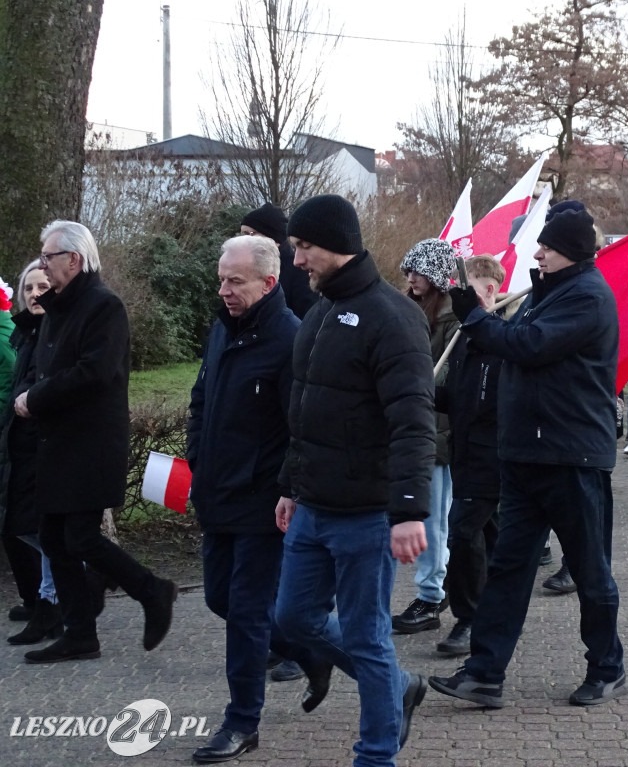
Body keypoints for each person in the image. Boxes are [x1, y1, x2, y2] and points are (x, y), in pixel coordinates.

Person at [431, 205, 626, 708]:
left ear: (573, 253)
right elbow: (516, 342)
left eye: (548, 247)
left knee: (589, 571)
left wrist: (473, 313)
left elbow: (527, 346)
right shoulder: (552, 293)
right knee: (509, 570)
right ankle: (484, 673)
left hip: (571, 459)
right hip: (525, 457)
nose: (538, 253)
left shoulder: (586, 297)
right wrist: (472, 311)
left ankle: (607, 666)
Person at [273, 195, 432, 765]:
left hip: (367, 515)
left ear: (337, 244)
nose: (297, 261)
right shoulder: (318, 312)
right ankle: (397, 686)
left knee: (366, 641)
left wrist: (410, 509)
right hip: (313, 507)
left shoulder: (393, 315)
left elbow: (413, 419)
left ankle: (375, 754)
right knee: (291, 618)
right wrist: (291, 485)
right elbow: (304, 412)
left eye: (304, 247)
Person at [186, 235, 331, 763]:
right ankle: (310, 650)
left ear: (268, 283)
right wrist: (196, 456)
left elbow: (303, 427)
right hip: (216, 493)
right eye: (221, 278)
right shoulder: (222, 330)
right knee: (219, 599)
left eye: (235, 281)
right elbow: (202, 397)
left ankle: (242, 721)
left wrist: (287, 488)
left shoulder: (290, 338)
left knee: (247, 611)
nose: (223, 289)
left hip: (263, 502)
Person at [19, 221, 177, 664]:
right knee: (53, 534)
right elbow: (43, 368)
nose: (43, 263)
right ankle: (80, 633)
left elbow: (95, 372)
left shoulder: (103, 306)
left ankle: (152, 590)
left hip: (89, 444)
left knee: (81, 537)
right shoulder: (58, 308)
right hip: (58, 441)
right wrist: (26, 394)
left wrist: (38, 396)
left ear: (74, 258)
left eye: (49, 256)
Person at [433, 255, 506, 657]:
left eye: (469, 291)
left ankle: (470, 616)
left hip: (490, 456)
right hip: (463, 452)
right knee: (489, 533)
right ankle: (496, 604)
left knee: (462, 532)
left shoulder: (503, 338)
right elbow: (458, 398)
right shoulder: (463, 340)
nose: (458, 300)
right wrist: (423, 393)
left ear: (491, 291)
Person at [391, 238, 459, 635]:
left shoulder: (451, 322)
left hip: (434, 431)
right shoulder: (409, 310)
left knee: (432, 516)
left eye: (419, 272)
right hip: (409, 426)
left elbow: (445, 377)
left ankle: (432, 594)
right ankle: (433, 588)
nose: (412, 278)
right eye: (409, 271)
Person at [3, 262, 60, 644]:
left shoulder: (56, 333)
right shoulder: (25, 334)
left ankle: (54, 600)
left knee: (39, 527)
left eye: (43, 286)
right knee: (25, 526)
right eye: (28, 288)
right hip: (20, 442)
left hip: (47, 445)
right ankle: (52, 595)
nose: (35, 294)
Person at [240, 202, 318, 319]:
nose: (242, 241)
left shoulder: (300, 270)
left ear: (272, 237)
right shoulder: (244, 266)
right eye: (241, 235)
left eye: (249, 234)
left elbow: (306, 318)